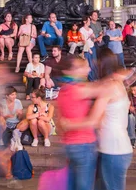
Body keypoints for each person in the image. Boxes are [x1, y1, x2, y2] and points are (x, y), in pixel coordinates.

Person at [61, 48, 132, 190]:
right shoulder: (114, 83)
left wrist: (69, 124)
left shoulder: (109, 87)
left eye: (95, 61)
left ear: (102, 64)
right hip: (114, 146)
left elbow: (93, 120)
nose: (92, 64)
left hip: (113, 148)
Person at [56, 56, 98, 190]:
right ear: (69, 71)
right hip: (83, 144)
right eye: (83, 66)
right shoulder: (79, 89)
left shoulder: (63, 90)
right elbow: (105, 89)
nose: (88, 69)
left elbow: (59, 123)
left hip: (69, 145)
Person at [79, 16, 98, 81]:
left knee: (94, 64)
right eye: (89, 20)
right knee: (89, 64)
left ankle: (95, 78)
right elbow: (83, 40)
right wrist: (89, 49)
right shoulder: (81, 30)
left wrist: (92, 36)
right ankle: (91, 79)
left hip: (92, 46)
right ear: (85, 21)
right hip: (87, 48)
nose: (90, 22)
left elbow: (94, 37)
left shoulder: (90, 29)